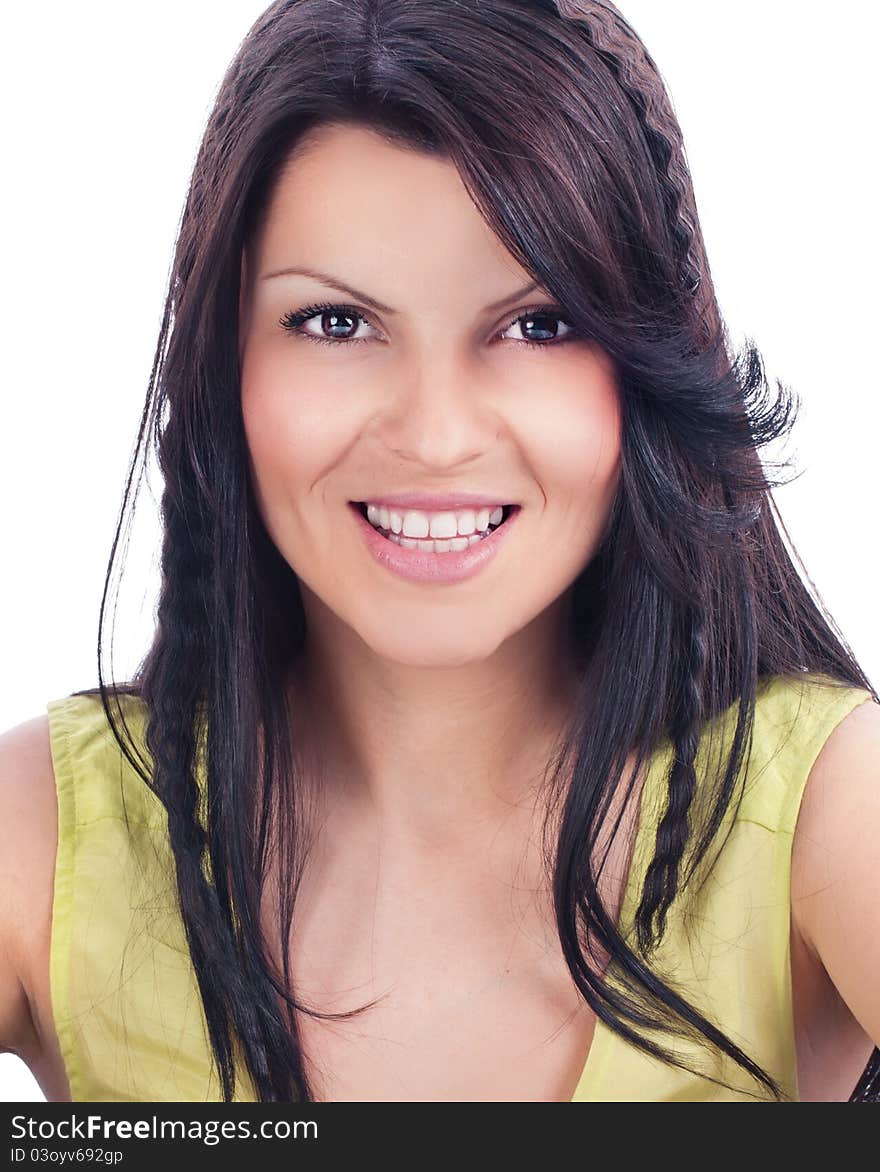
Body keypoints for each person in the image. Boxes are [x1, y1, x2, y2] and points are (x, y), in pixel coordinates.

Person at [1, 0, 878, 1104]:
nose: (433, 433)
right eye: (334, 322)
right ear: (225, 362)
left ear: (646, 361)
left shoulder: (827, 810)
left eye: (537, 323)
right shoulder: (45, 828)